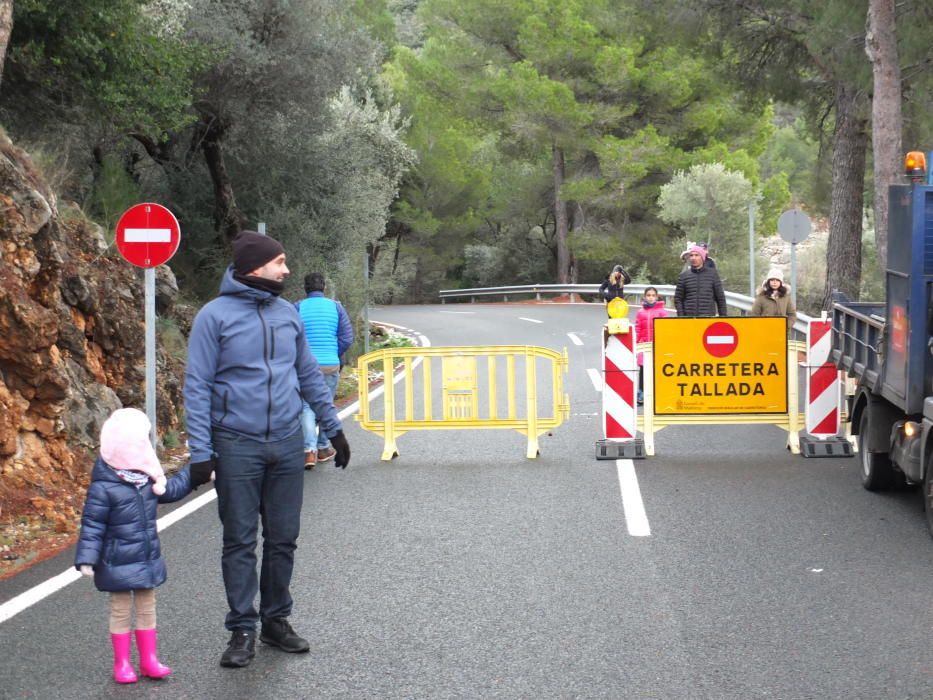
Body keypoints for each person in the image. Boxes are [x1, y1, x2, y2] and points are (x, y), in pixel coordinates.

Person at [184, 230, 352, 669]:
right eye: (280, 262)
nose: (287, 270)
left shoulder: (287, 314)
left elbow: (309, 375)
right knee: (239, 541)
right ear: (256, 266)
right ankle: (242, 627)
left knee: (283, 539)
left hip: (286, 442)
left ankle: (277, 621)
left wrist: (333, 429)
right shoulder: (213, 317)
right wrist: (201, 451)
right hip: (236, 444)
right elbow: (197, 386)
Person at [75, 408, 203, 684]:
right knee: (120, 609)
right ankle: (122, 663)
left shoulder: (147, 479)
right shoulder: (104, 486)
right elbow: (92, 524)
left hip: (146, 558)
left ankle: (149, 660)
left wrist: (196, 471)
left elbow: (172, 489)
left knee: (147, 607)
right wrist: (87, 557)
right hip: (116, 561)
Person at [296, 272, 354, 468]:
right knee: (325, 405)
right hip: (330, 364)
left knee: (306, 406)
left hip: (305, 366)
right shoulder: (336, 307)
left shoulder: (297, 307)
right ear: (324, 288)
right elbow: (347, 337)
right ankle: (322, 447)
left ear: (305, 289)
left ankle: (309, 451)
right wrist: (332, 352)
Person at [634, 287, 669, 404]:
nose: (651, 297)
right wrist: (637, 343)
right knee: (643, 369)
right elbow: (637, 328)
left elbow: (665, 329)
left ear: (657, 297)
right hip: (644, 344)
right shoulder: (640, 312)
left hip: (657, 345)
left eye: (653, 295)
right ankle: (641, 394)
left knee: (656, 370)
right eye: (648, 295)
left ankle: (658, 394)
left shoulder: (662, 312)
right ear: (645, 297)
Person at [674, 244, 727, 317]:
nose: (693, 258)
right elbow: (678, 299)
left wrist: (723, 317)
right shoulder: (684, 276)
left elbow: (720, 297)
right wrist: (681, 316)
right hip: (689, 319)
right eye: (691, 255)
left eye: (696, 255)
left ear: (702, 257)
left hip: (707, 319)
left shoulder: (712, 274)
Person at [750, 268, 796, 335]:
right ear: (768, 282)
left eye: (777, 280)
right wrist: (761, 329)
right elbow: (755, 315)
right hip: (765, 334)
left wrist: (786, 326)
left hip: (781, 334)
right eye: (772, 280)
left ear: (781, 282)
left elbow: (792, 315)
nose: (774, 282)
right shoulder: (761, 297)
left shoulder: (786, 297)